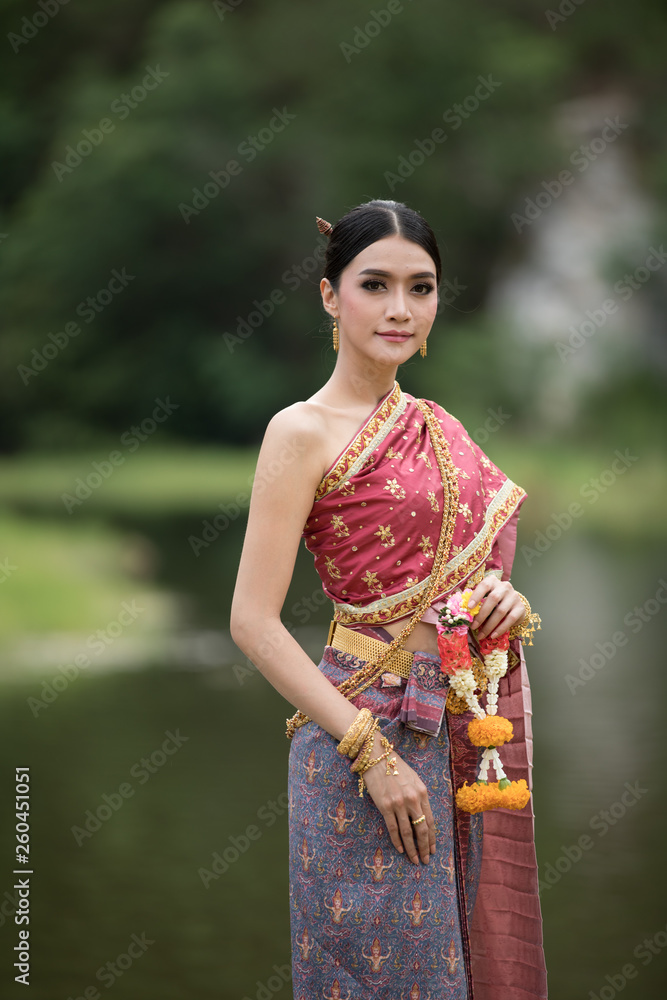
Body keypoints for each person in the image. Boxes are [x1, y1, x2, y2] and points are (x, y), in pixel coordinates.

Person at [231, 199, 547, 999]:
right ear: (331, 296)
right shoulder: (298, 432)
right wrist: (370, 755)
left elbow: (467, 579)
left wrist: (500, 602)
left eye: (421, 286)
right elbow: (251, 622)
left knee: (460, 975)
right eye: (375, 284)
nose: (400, 309)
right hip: (353, 744)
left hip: (456, 737)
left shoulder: (438, 426)